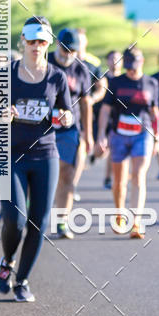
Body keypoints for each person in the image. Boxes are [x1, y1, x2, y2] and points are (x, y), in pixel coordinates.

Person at [0, 16, 73, 302]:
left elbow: (68, 111)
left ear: (48, 43)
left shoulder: (57, 76)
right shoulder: (7, 74)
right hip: (12, 155)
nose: (36, 46)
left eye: (42, 41)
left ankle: (22, 281)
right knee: (14, 220)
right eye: (32, 41)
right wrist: (2, 115)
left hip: (45, 154)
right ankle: (7, 262)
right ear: (23, 42)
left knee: (39, 221)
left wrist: (66, 117)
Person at [95, 47, 159, 239]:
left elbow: (154, 112)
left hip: (143, 134)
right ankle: (119, 214)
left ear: (141, 62)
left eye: (134, 67)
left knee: (138, 176)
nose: (131, 71)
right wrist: (101, 134)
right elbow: (106, 110)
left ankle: (136, 223)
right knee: (119, 182)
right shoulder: (116, 82)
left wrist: (157, 137)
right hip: (119, 134)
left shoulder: (151, 83)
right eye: (128, 67)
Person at [48, 29, 92, 239]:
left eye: (73, 50)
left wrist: (88, 134)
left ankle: (62, 221)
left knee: (67, 173)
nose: (68, 54)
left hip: (69, 129)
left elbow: (85, 103)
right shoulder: (44, 63)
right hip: (41, 127)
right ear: (57, 45)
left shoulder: (81, 70)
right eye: (65, 49)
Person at [73, 28, 106, 200]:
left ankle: (71, 186)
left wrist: (92, 99)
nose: (78, 44)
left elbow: (102, 87)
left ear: (85, 42)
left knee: (81, 151)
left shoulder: (93, 63)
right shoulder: (64, 59)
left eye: (81, 41)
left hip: (85, 113)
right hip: (63, 113)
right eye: (75, 41)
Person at [102, 50, 122, 190]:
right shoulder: (102, 79)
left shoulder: (125, 80)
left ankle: (109, 178)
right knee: (102, 151)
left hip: (119, 119)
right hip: (103, 118)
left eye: (117, 59)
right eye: (112, 59)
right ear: (107, 61)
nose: (114, 62)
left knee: (113, 148)